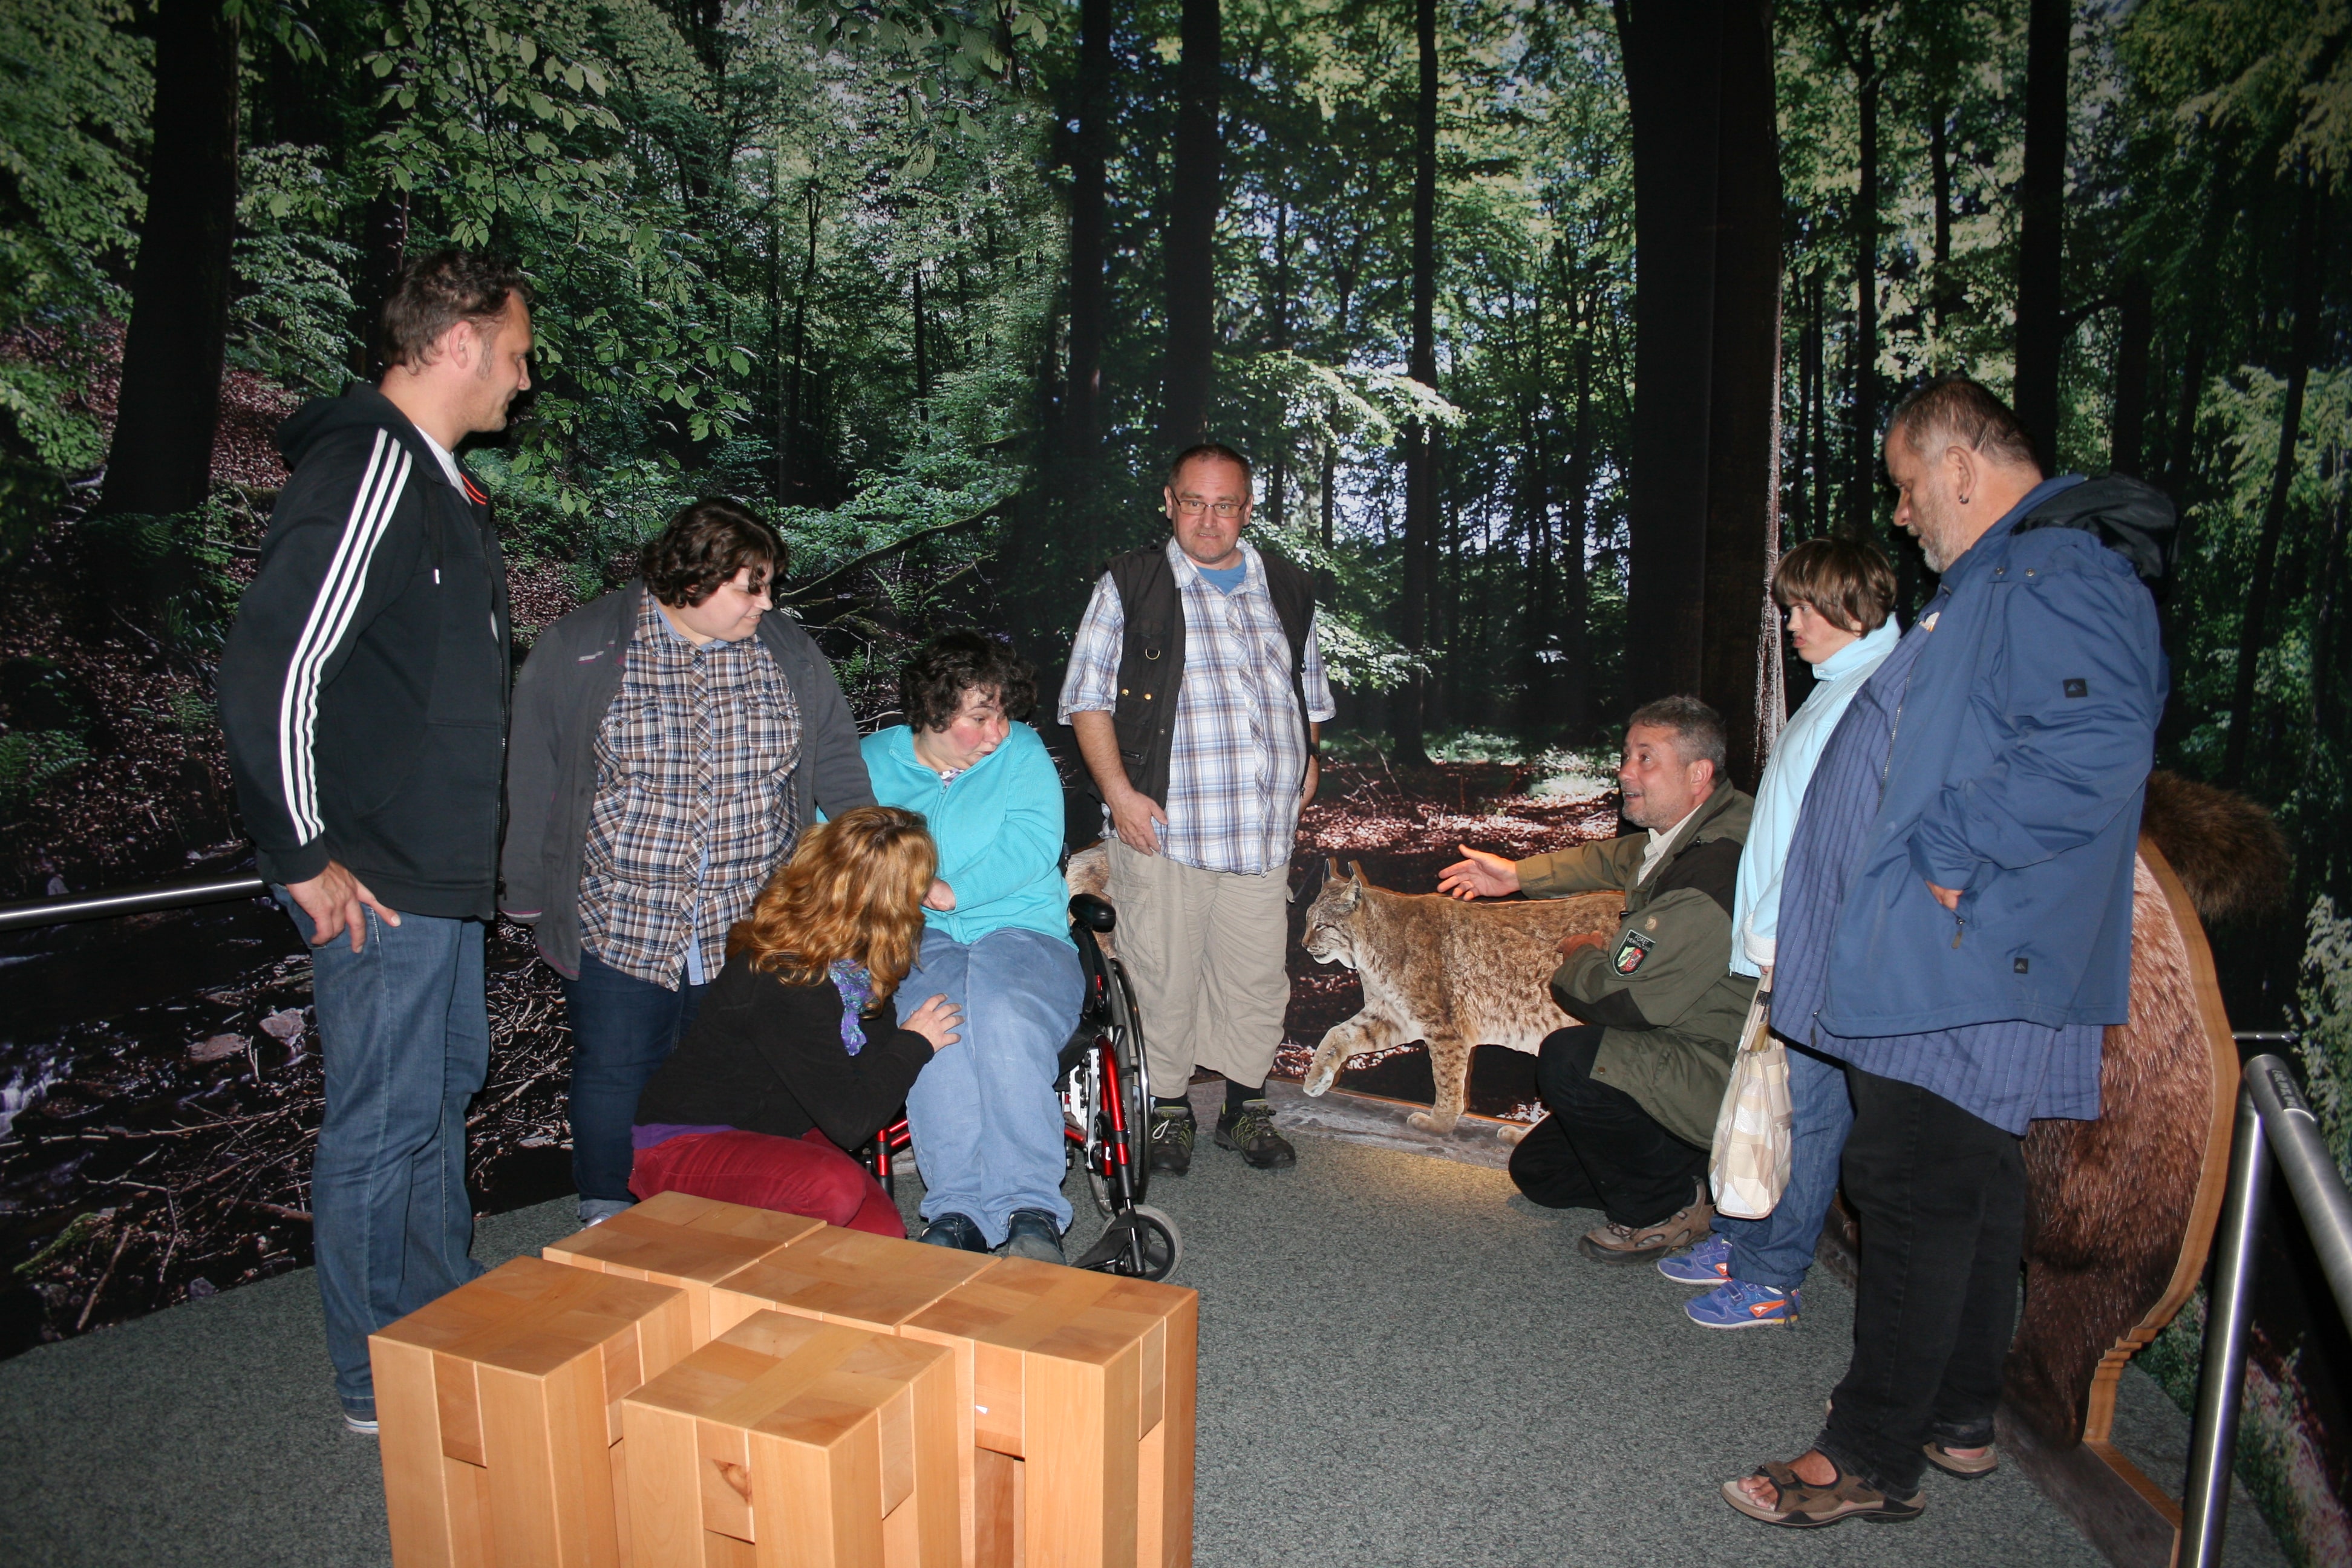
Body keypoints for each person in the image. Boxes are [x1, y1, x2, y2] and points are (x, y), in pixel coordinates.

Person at [1725, 374, 2166, 1528]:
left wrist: (1950, 851)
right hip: (1959, 956)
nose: (1902, 511)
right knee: (1964, 1184)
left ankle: (1865, 1455)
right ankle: (1960, 1414)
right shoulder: (2013, 574)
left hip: (1961, 956)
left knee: (1909, 1183)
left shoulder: (2053, 569)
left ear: (1960, 468)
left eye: (1907, 485)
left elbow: (2094, 741)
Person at [217, 249, 533, 1435]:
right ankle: (372, 1377)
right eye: (515, 353)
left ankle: (440, 1317)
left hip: (435, 873)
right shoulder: (371, 467)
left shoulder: (441, 487)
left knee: (437, 1097)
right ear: (457, 342)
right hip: (379, 873)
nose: (524, 377)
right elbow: (274, 671)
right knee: (383, 1119)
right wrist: (302, 854)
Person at [501, 499, 874, 1227]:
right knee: (616, 1071)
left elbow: (835, 758)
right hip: (621, 912)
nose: (767, 604)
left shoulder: (787, 652)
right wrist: (528, 890)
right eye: (751, 587)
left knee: (729, 1071)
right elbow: (535, 772)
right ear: (693, 579)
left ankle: (716, 1216)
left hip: (746, 916)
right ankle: (608, 1215)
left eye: (769, 587)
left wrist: (869, 860)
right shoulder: (584, 647)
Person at [1059, 443, 1336, 1174]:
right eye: (1193, 503)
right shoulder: (1132, 584)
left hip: (1260, 833)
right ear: (1169, 502)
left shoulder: (1286, 587)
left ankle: (1245, 1109)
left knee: (1256, 979)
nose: (1208, 520)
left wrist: (1309, 756)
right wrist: (1119, 795)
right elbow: (1086, 698)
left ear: (1248, 509)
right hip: (1165, 831)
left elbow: (1308, 688)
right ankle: (1170, 1109)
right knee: (1163, 976)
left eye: (1225, 505)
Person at [1660, 538, 1901, 1330]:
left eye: (1802, 607)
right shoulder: (1839, 688)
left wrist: (1782, 936)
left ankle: (1772, 1275)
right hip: (1787, 944)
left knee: (1811, 1115)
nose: (1790, 623)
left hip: (1818, 949)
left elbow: (1835, 846)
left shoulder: (1875, 695)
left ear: (1850, 605)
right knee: (1769, 1102)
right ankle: (1744, 1240)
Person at [1439, 698, 1756, 1264]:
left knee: (1572, 1059)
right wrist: (1518, 875)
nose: (1625, 772)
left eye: (1645, 759)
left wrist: (1580, 954)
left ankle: (1664, 1211)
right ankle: (1699, 1175)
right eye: (1626, 756)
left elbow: (1622, 997)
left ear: (1698, 773)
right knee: (1542, 1174)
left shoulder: (1710, 871)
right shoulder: (1709, 824)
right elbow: (1621, 858)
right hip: (1682, 1044)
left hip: (1722, 1070)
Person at [627, 808, 963, 1234]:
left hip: (780, 1129)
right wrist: (915, 1043)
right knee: (833, 1190)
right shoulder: (787, 979)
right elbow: (852, 1123)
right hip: (683, 1144)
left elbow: (863, 1090)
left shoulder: (852, 967)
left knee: (882, 1238)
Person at [861, 632, 1082, 1263]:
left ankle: (1029, 1207)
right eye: (980, 718)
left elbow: (1034, 841)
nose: (997, 732)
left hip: (1023, 928)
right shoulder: (870, 762)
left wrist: (955, 891)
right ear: (932, 713)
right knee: (933, 1022)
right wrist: (903, 892)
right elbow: (836, 848)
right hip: (915, 935)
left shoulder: (1022, 751)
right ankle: (957, 1209)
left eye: (1003, 714)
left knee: (1003, 1011)